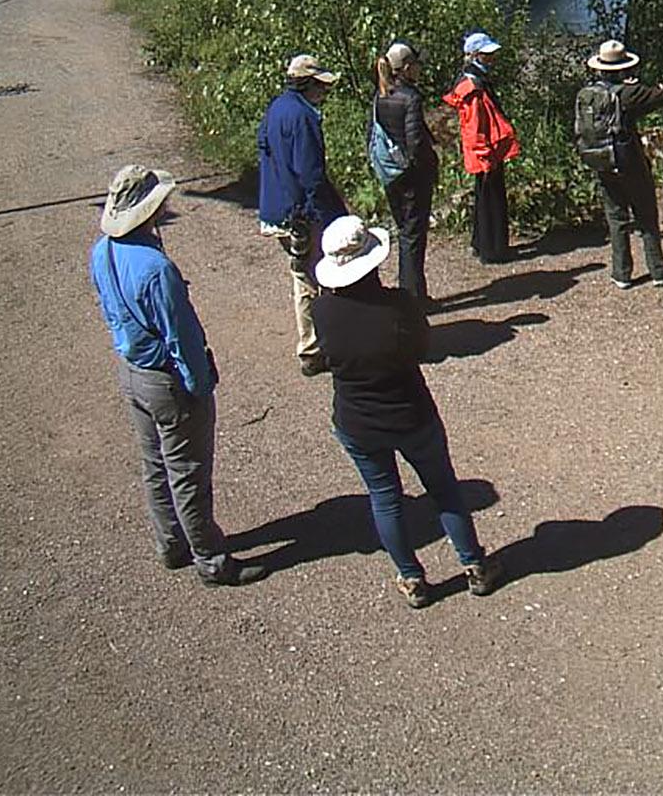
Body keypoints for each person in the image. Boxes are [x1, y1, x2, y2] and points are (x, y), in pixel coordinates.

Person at [311, 215, 503, 609]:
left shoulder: (321, 312)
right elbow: (421, 350)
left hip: (357, 420)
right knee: (444, 489)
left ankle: (412, 577)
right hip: (411, 414)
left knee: (385, 497)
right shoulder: (399, 305)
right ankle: (475, 566)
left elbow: (327, 358)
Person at [90, 165, 268, 587]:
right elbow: (182, 335)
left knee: (155, 465)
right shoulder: (156, 268)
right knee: (188, 472)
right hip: (166, 379)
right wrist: (200, 384)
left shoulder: (102, 251)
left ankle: (171, 544)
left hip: (132, 370)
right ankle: (211, 559)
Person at [258, 53, 347, 377]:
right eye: (321, 85)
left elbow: (265, 151)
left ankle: (314, 344)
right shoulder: (304, 117)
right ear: (308, 84)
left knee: (301, 276)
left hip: (275, 209)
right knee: (316, 277)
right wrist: (328, 214)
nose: (325, 92)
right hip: (300, 213)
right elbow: (311, 174)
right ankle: (316, 347)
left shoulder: (276, 108)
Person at [579, 38, 663, 288]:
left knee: (616, 217)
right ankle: (657, 270)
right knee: (646, 214)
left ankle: (622, 273)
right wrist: (643, 84)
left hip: (601, 158)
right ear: (624, 67)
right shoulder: (630, 92)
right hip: (628, 160)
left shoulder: (589, 94)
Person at [443, 31, 519, 264]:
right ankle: (492, 251)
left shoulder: (475, 81)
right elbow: (474, 126)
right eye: (487, 54)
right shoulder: (473, 86)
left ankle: (482, 245)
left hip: (485, 151)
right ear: (475, 55)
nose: (492, 58)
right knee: (491, 200)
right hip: (485, 152)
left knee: (485, 198)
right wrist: (485, 156)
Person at [373, 40, 438, 305]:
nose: (419, 69)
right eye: (417, 65)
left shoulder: (381, 94)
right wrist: (429, 166)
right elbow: (415, 142)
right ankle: (413, 299)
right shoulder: (410, 97)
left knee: (405, 232)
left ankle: (412, 293)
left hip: (391, 174)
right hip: (411, 177)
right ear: (408, 67)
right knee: (413, 237)